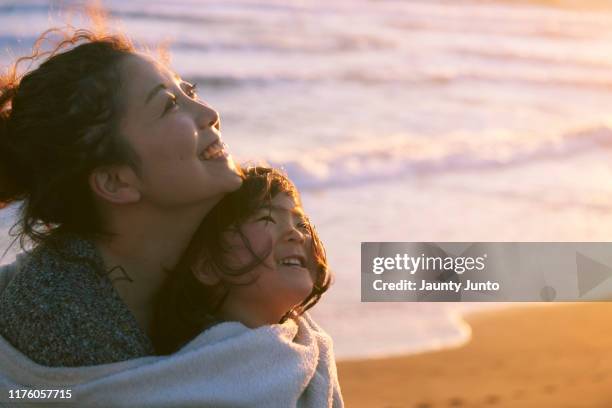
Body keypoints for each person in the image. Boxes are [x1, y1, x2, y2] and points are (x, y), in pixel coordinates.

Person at [0, 26, 242, 367]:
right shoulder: (63, 323)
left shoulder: (229, 262)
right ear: (115, 182)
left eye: (190, 91)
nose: (209, 114)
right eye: (170, 105)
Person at [152, 166, 332, 354]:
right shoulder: (189, 371)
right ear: (207, 267)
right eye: (267, 218)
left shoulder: (312, 351)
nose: (296, 233)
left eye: (301, 223)